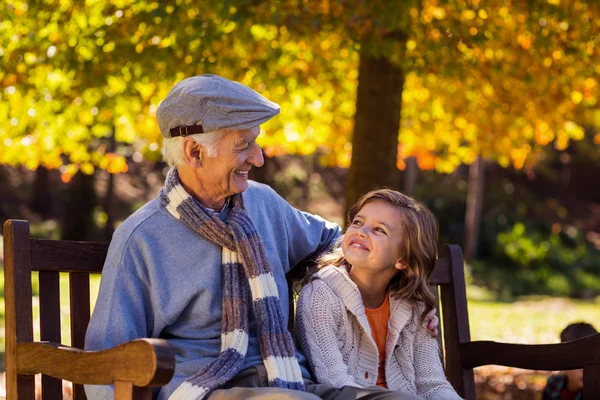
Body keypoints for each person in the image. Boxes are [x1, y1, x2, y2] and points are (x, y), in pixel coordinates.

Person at [84, 75, 437, 400]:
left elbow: (340, 242)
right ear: (194, 151)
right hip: (207, 387)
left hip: (289, 378)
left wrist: (404, 291)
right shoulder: (142, 238)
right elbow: (104, 362)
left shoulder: (263, 203)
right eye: (243, 145)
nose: (257, 157)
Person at [296, 189, 462, 399]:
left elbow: (433, 385)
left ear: (403, 260)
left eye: (379, 230)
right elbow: (336, 383)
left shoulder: (416, 308)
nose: (361, 232)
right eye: (357, 222)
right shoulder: (320, 296)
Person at [542, 322, 598, 400]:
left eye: (590, 360)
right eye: (578, 362)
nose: (583, 369)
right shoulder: (553, 384)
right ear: (564, 359)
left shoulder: (596, 392)